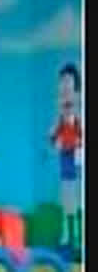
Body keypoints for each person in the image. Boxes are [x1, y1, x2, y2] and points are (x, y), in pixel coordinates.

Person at [51, 64, 83, 250]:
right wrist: (55, 140)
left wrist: (78, 142)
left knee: (76, 196)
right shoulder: (63, 118)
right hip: (65, 158)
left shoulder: (77, 116)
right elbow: (56, 134)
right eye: (61, 89)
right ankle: (69, 236)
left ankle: (77, 236)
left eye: (69, 87)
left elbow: (78, 134)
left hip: (75, 158)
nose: (65, 95)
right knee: (66, 196)